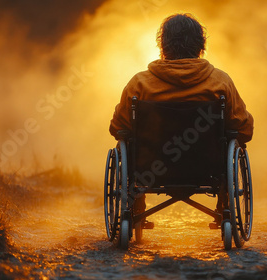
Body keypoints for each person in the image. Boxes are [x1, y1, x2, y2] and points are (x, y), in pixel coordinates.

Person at [109, 13, 254, 225]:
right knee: (233, 138)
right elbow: (244, 129)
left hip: (151, 170)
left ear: (163, 45)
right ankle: (225, 207)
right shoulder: (220, 82)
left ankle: (135, 205)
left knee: (128, 141)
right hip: (207, 168)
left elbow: (118, 128)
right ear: (200, 45)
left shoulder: (139, 84)